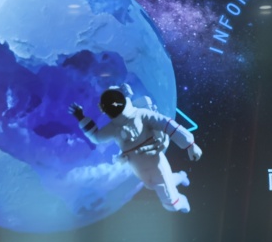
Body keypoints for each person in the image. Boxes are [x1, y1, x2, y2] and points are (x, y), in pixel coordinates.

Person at [69, 85, 202, 213]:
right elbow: (97, 137)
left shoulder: (141, 115)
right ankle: (181, 176)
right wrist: (80, 117)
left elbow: (167, 124)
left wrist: (190, 145)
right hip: (139, 169)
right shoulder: (113, 128)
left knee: (170, 201)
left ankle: (181, 202)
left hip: (156, 164)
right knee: (153, 184)